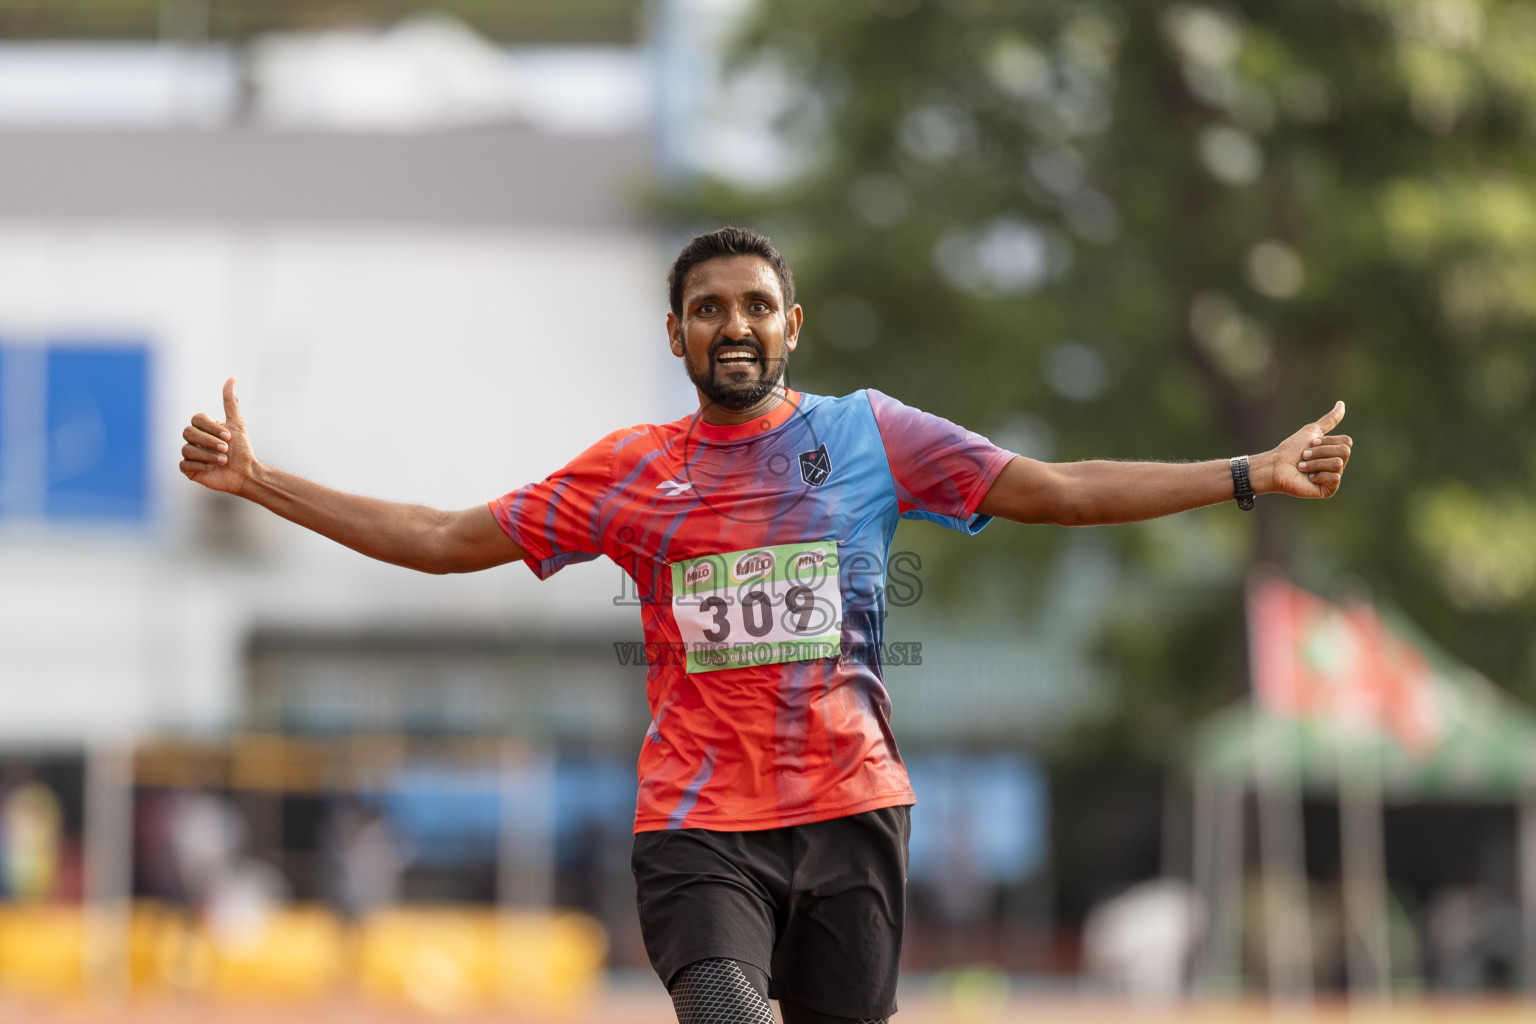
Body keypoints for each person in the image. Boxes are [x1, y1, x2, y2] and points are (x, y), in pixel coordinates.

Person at [180, 226, 1353, 1023]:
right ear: (677, 334)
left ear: (794, 324)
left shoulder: (869, 436)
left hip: (851, 809)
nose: (731, 323)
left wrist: (1247, 472)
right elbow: (442, 539)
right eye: (706, 308)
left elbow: (1056, 489)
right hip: (700, 825)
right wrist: (264, 481)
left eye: (754, 305)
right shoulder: (630, 471)